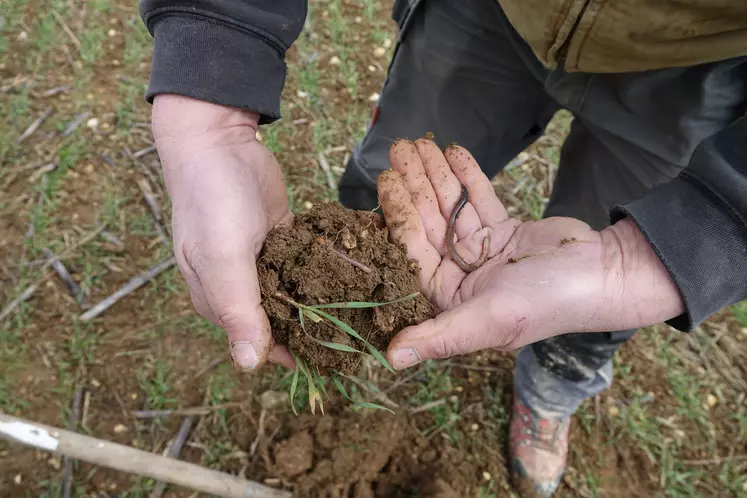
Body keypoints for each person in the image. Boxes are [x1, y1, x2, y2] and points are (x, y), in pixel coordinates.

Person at [139, 0, 747, 496]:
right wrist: (208, 108)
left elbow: (643, 258)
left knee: (597, 280)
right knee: (394, 193)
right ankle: (348, 275)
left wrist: (699, 233)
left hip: (700, 58)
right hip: (490, 14)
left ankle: (558, 378)